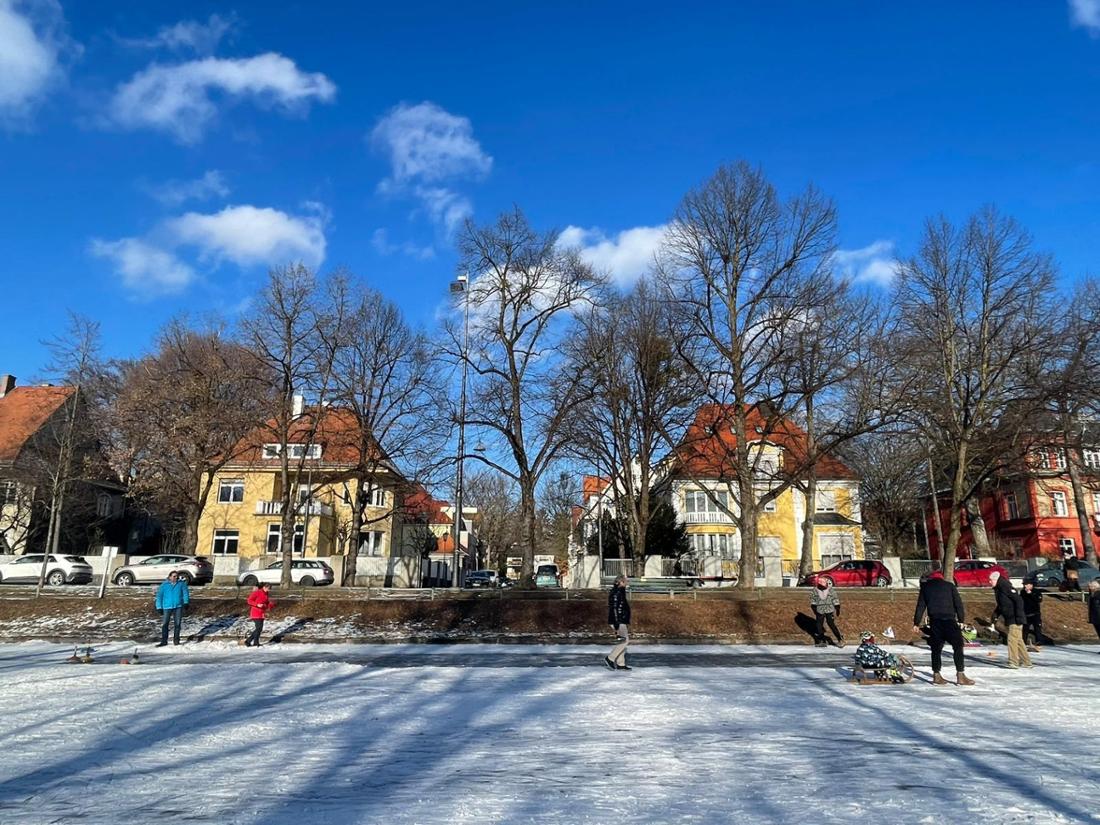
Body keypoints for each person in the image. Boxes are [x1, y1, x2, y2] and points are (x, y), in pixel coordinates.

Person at [913, 563, 974, 685]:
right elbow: (958, 604)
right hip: (949, 620)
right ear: (941, 577)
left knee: (936, 648)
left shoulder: (926, 588)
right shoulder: (949, 586)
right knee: (958, 645)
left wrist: (916, 622)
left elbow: (920, 606)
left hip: (935, 622)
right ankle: (960, 675)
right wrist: (961, 620)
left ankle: (936, 675)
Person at [989, 571, 1032, 668]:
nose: (989, 582)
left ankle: (1013, 662)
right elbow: (1002, 605)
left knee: (1012, 639)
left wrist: (1019, 616)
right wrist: (995, 615)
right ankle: (1026, 662)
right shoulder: (999, 589)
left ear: (996, 580)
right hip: (1011, 617)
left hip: (1015, 618)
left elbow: (1019, 600)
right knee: (1018, 640)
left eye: (991, 580)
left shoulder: (1005, 587)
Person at [154, 570, 190, 647]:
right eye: (174, 576)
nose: (175, 578)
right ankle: (164, 641)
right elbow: (159, 596)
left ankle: (176, 640)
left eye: (177, 576)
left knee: (177, 624)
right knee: (165, 624)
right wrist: (159, 607)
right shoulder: (164, 585)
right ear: (170, 577)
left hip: (178, 607)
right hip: (167, 607)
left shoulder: (181, 584)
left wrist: (186, 602)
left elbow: (185, 594)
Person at [605, 574, 631, 671]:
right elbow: (614, 608)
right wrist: (616, 623)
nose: (626, 583)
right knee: (625, 641)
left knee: (621, 641)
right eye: (625, 581)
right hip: (619, 621)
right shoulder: (617, 592)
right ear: (620, 582)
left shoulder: (620, 591)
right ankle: (610, 658)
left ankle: (621, 664)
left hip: (620, 620)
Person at [810, 579, 844, 647]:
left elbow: (835, 599)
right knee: (819, 626)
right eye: (821, 586)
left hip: (829, 609)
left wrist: (837, 608)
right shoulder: (815, 590)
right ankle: (822, 641)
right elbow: (813, 600)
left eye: (824, 585)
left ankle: (840, 639)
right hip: (819, 610)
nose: (823, 587)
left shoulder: (831, 590)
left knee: (831, 624)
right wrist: (814, 609)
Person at [245, 583, 274, 647]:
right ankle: (250, 641)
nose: (268, 590)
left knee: (259, 629)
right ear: (264, 587)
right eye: (268, 589)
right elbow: (249, 600)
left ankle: (254, 642)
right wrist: (257, 604)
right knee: (258, 628)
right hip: (255, 613)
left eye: (269, 589)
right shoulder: (257, 592)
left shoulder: (266, 594)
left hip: (261, 613)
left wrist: (270, 605)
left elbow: (266, 603)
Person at [1020, 580, 1044, 649]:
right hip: (1026, 614)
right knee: (1025, 630)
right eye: (1024, 585)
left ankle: (1039, 643)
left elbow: (1039, 600)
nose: (1025, 586)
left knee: (1037, 629)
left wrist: (1030, 594)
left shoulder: (1036, 591)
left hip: (1035, 614)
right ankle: (1023, 643)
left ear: (1031, 585)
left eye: (1026, 585)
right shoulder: (1022, 592)